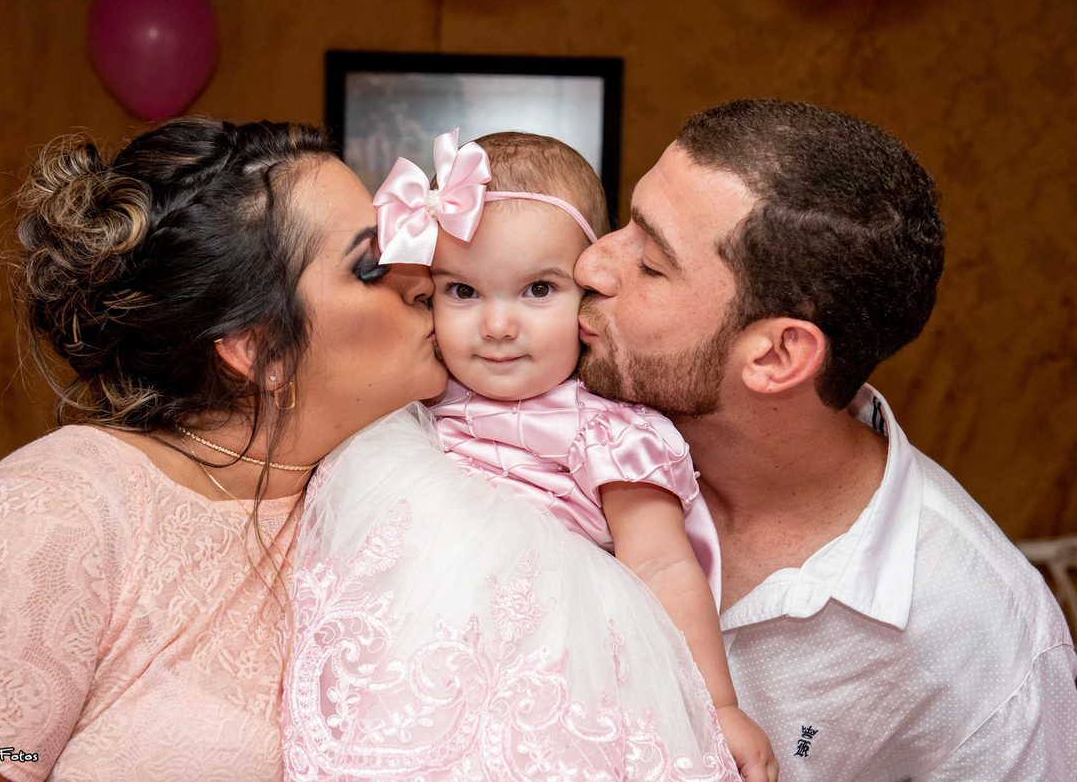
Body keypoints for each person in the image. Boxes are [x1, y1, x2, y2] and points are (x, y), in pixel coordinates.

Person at [0, 117, 447, 780]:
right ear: (261, 349)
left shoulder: (395, 496)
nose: (423, 278)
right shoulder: (58, 517)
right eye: (371, 265)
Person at [574, 98, 1077, 780]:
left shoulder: (984, 640)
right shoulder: (542, 421)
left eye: (651, 262)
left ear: (778, 354)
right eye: (626, 223)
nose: (592, 264)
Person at [280, 131, 759, 780]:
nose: (498, 326)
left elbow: (663, 563)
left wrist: (719, 704)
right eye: (462, 292)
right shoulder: (417, 394)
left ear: (588, 293)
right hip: (414, 657)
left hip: (550, 669)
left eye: (537, 290)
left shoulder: (608, 430)